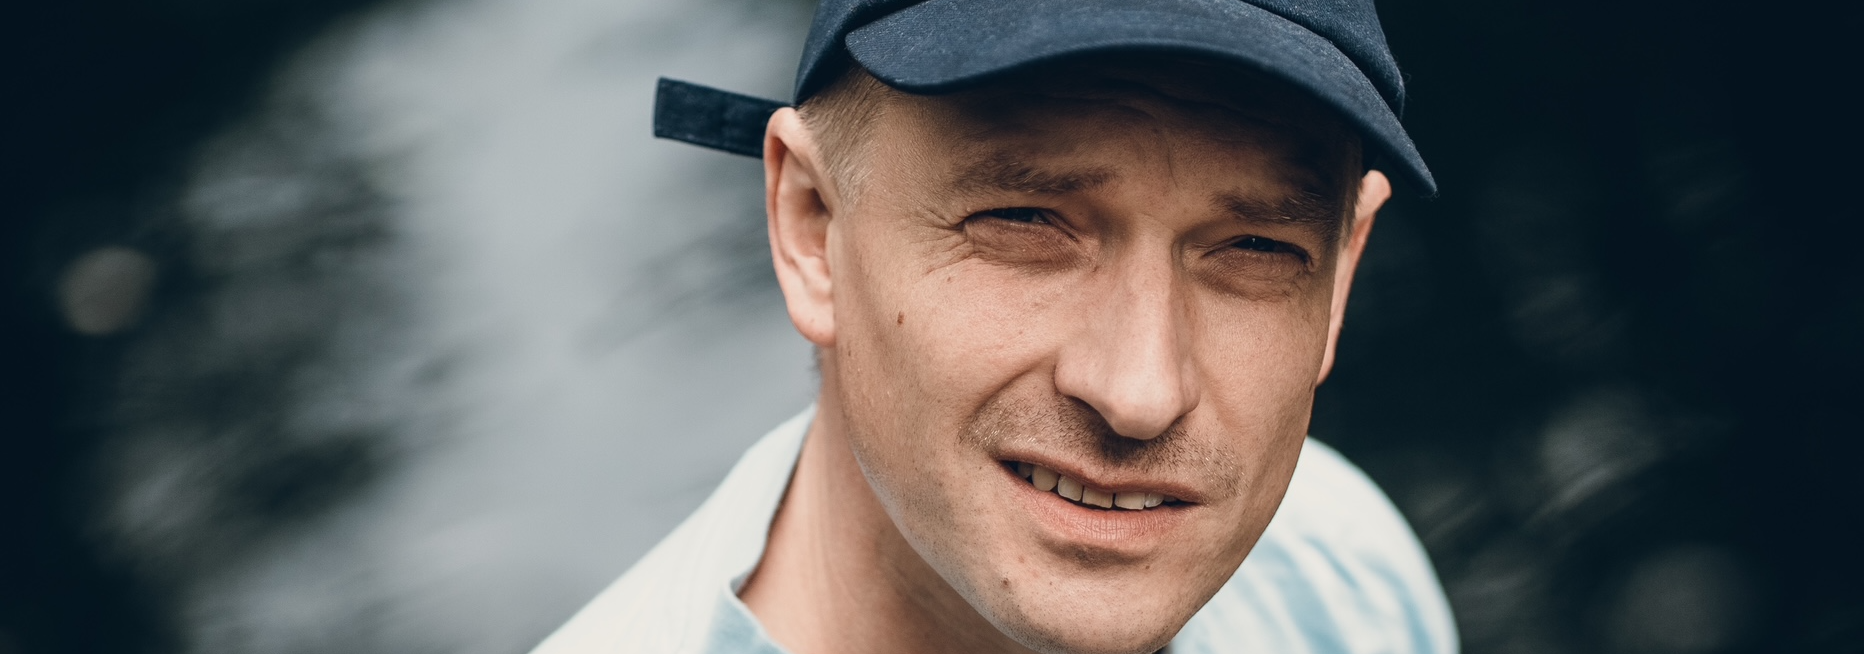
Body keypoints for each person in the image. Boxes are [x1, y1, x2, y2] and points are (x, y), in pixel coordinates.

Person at [532, 0, 1457, 652]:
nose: (1140, 392)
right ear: (812, 229)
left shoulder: (1344, 582)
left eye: (1256, 246)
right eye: (1023, 221)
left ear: (1342, 274)